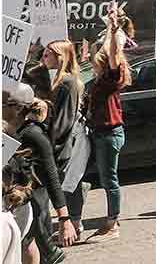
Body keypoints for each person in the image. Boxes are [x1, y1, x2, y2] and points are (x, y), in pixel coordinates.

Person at [3, 84, 75, 264]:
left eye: (3, 104)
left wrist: (64, 219)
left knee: (28, 242)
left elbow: (51, 176)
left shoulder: (34, 134)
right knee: (27, 241)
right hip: (14, 200)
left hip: (26, 201)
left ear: (17, 108)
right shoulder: (9, 131)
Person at [81, 8, 131, 241]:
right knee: (102, 177)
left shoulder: (111, 78)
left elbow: (114, 56)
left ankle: (113, 223)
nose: (92, 63)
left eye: (94, 60)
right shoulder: (101, 80)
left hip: (109, 134)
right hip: (101, 133)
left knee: (109, 180)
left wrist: (113, 29)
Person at [38, 41, 82, 237]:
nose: (43, 57)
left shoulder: (68, 83)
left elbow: (63, 122)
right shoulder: (53, 80)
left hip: (55, 148)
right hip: (48, 145)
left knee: (46, 195)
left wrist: (44, 141)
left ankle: (48, 244)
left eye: (48, 54)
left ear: (60, 58)